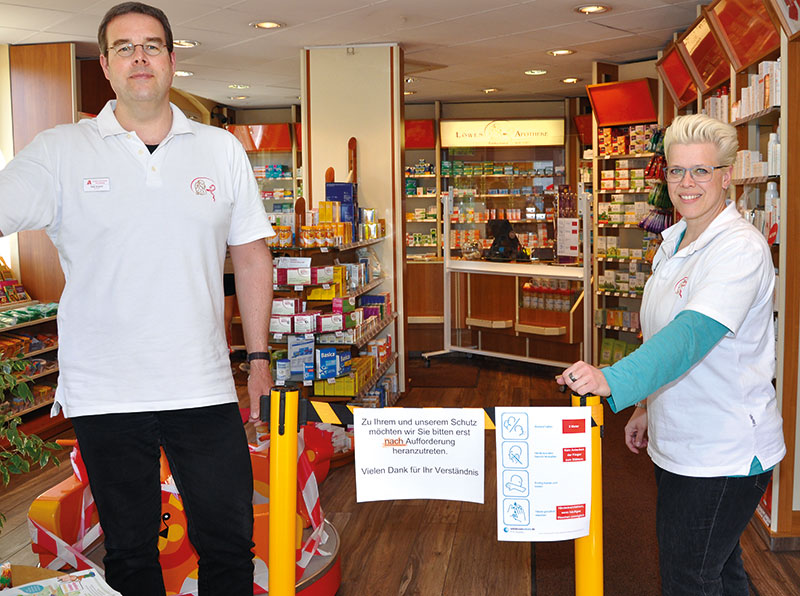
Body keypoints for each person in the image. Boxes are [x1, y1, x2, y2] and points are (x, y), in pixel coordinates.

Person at [0, 3, 274, 595]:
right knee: (129, 551)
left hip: (201, 383)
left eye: (152, 45)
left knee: (229, 542)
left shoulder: (220, 150)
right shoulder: (59, 150)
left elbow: (252, 256)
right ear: (105, 65)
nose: (140, 57)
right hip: (105, 390)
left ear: (172, 61)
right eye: (124, 47)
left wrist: (258, 358)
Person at [559, 114, 785, 595]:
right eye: (677, 171)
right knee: (719, 570)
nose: (687, 183)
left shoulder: (739, 248)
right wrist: (646, 404)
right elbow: (659, 331)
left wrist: (613, 380)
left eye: (701, 171)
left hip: (722, 451)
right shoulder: (674, 240)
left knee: (689, 578)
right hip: (681, 441)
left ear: (726, 176)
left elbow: (691, 336)